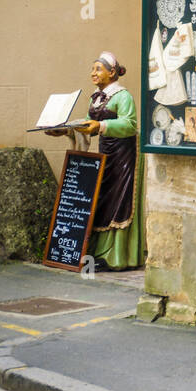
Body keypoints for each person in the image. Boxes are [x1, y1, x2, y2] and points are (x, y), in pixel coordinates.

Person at [47, 51, 145, 271]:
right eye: (92, 69)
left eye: (98, 69)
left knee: (119, 201)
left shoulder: (123, 96)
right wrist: (64, 130)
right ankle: (98, 252)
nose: (93, 73)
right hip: (104, 154)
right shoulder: (95, 97)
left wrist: (100, 127)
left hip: (123, 156)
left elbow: (129, 125)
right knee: (101, 199)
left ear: (112, 73)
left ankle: (118, 256)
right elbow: (88, 125)